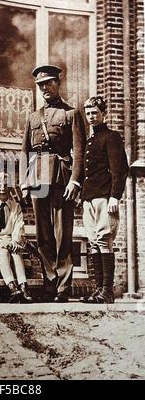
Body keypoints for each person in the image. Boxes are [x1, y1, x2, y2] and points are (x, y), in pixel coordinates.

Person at [21, 65, 86, 302]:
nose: (45, 88)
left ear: (58, 83)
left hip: (61, 177)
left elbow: (79, 152)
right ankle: (49, 284)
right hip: (38, 176)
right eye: (41, 85)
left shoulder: (71, 114)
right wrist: (25, 182)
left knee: (62, 233)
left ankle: (63, 287)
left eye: (49, 83)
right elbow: (25, 151)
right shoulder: (33, 118)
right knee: (43, 234)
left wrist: (75, 181)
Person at [79, 96, 128, 304]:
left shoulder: (112, 137)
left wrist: (115, 196)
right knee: (93, 242)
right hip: (89, 198)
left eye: (95, 113)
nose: (91, 117)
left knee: (104, 240)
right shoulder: (90, 141)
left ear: (103, 114)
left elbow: (120, 170)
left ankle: (107, 291)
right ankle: (97, 289)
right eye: (88, 113)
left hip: (105, 198)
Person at [0, 171, 33, 303]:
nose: (3, 187)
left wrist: (15, 241)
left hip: (10, 240)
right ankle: (12, 287)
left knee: (16, 252)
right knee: (3, 252)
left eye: (6, 184)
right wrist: (0, 242)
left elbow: (18, 226)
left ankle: (23, 286)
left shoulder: (15, 207)